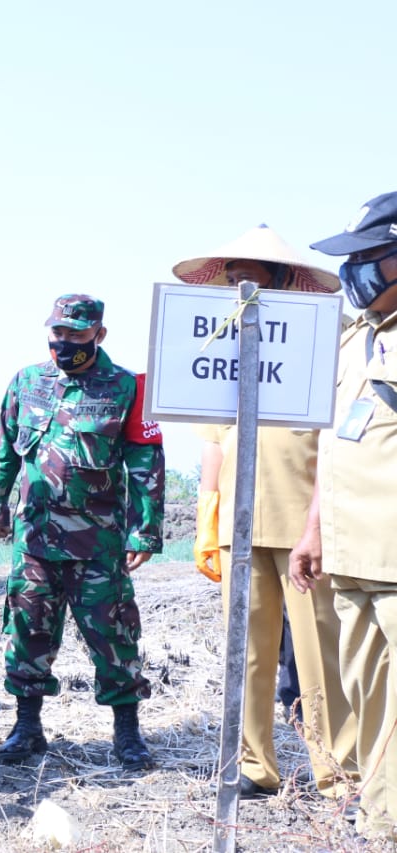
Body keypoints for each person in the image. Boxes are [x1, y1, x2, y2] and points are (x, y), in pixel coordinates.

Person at [175, 225, 357, 800]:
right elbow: (213, 437)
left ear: (284, 279)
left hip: (307, 518)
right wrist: (208, 516)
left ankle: (337, 772)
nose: (242, 283)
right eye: (234, 275)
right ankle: (253, 764)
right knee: (246, 653)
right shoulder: (219, 342)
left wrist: (324, 521)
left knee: (317, 653)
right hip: (238, 521)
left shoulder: (325, 341)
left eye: (255, 274)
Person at [0, 294, 163, 772]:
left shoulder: (128, 386)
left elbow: (146, 462)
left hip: (97, 542)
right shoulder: (27, 381)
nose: (64, 343)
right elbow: (3, 450)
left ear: (99, 335)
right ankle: (27, 727)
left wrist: (146, 531)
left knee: (113, 634)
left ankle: (127, 734)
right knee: (28, 630)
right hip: (35, 539)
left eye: (76, 335)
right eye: (57, 333)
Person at [292, 191, 397, 840]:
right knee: (367, 696)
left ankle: (384, 822)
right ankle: (376, 808)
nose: (354, 271)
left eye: (368, 257)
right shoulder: (354, 341)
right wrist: (314, 529)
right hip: (353, 557)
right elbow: (335, 443)